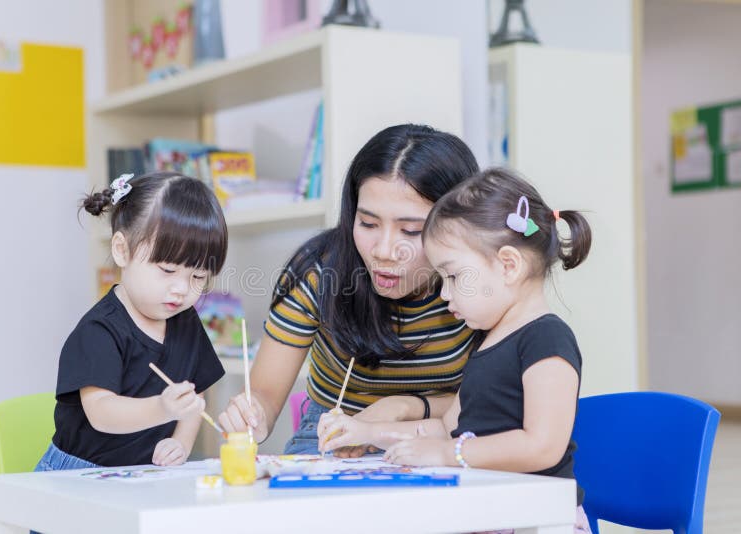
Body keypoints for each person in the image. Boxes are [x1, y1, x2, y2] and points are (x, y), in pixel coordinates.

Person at [317, 167, 592, 533]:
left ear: (508, 265)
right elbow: (445, 427)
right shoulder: (485, 340)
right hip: (489, 511)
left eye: (454, 276)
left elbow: (542, 446)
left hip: (538, 519)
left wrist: (450, 455)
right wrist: (366, 432)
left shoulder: (547, 340)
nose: (444, 294)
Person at [218, 124, 481, 455]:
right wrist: (252, 412)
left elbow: (487, 399)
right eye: (368, 224)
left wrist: (401, 408)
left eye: (411, 230)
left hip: (442, 435)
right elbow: (265, 394)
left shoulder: (480, 283)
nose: (383, 251)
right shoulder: (320, 271)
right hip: (333, 436)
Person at [35, 172, 228, 472]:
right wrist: (162, 408)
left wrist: (181, 441)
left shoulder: (185, 321)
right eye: (167, 270)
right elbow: (101, 411)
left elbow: (193, 396)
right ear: (121, 250)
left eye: (198, 276)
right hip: (78, 474)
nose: (182, 288)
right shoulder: (100, 330)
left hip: (141, 474)